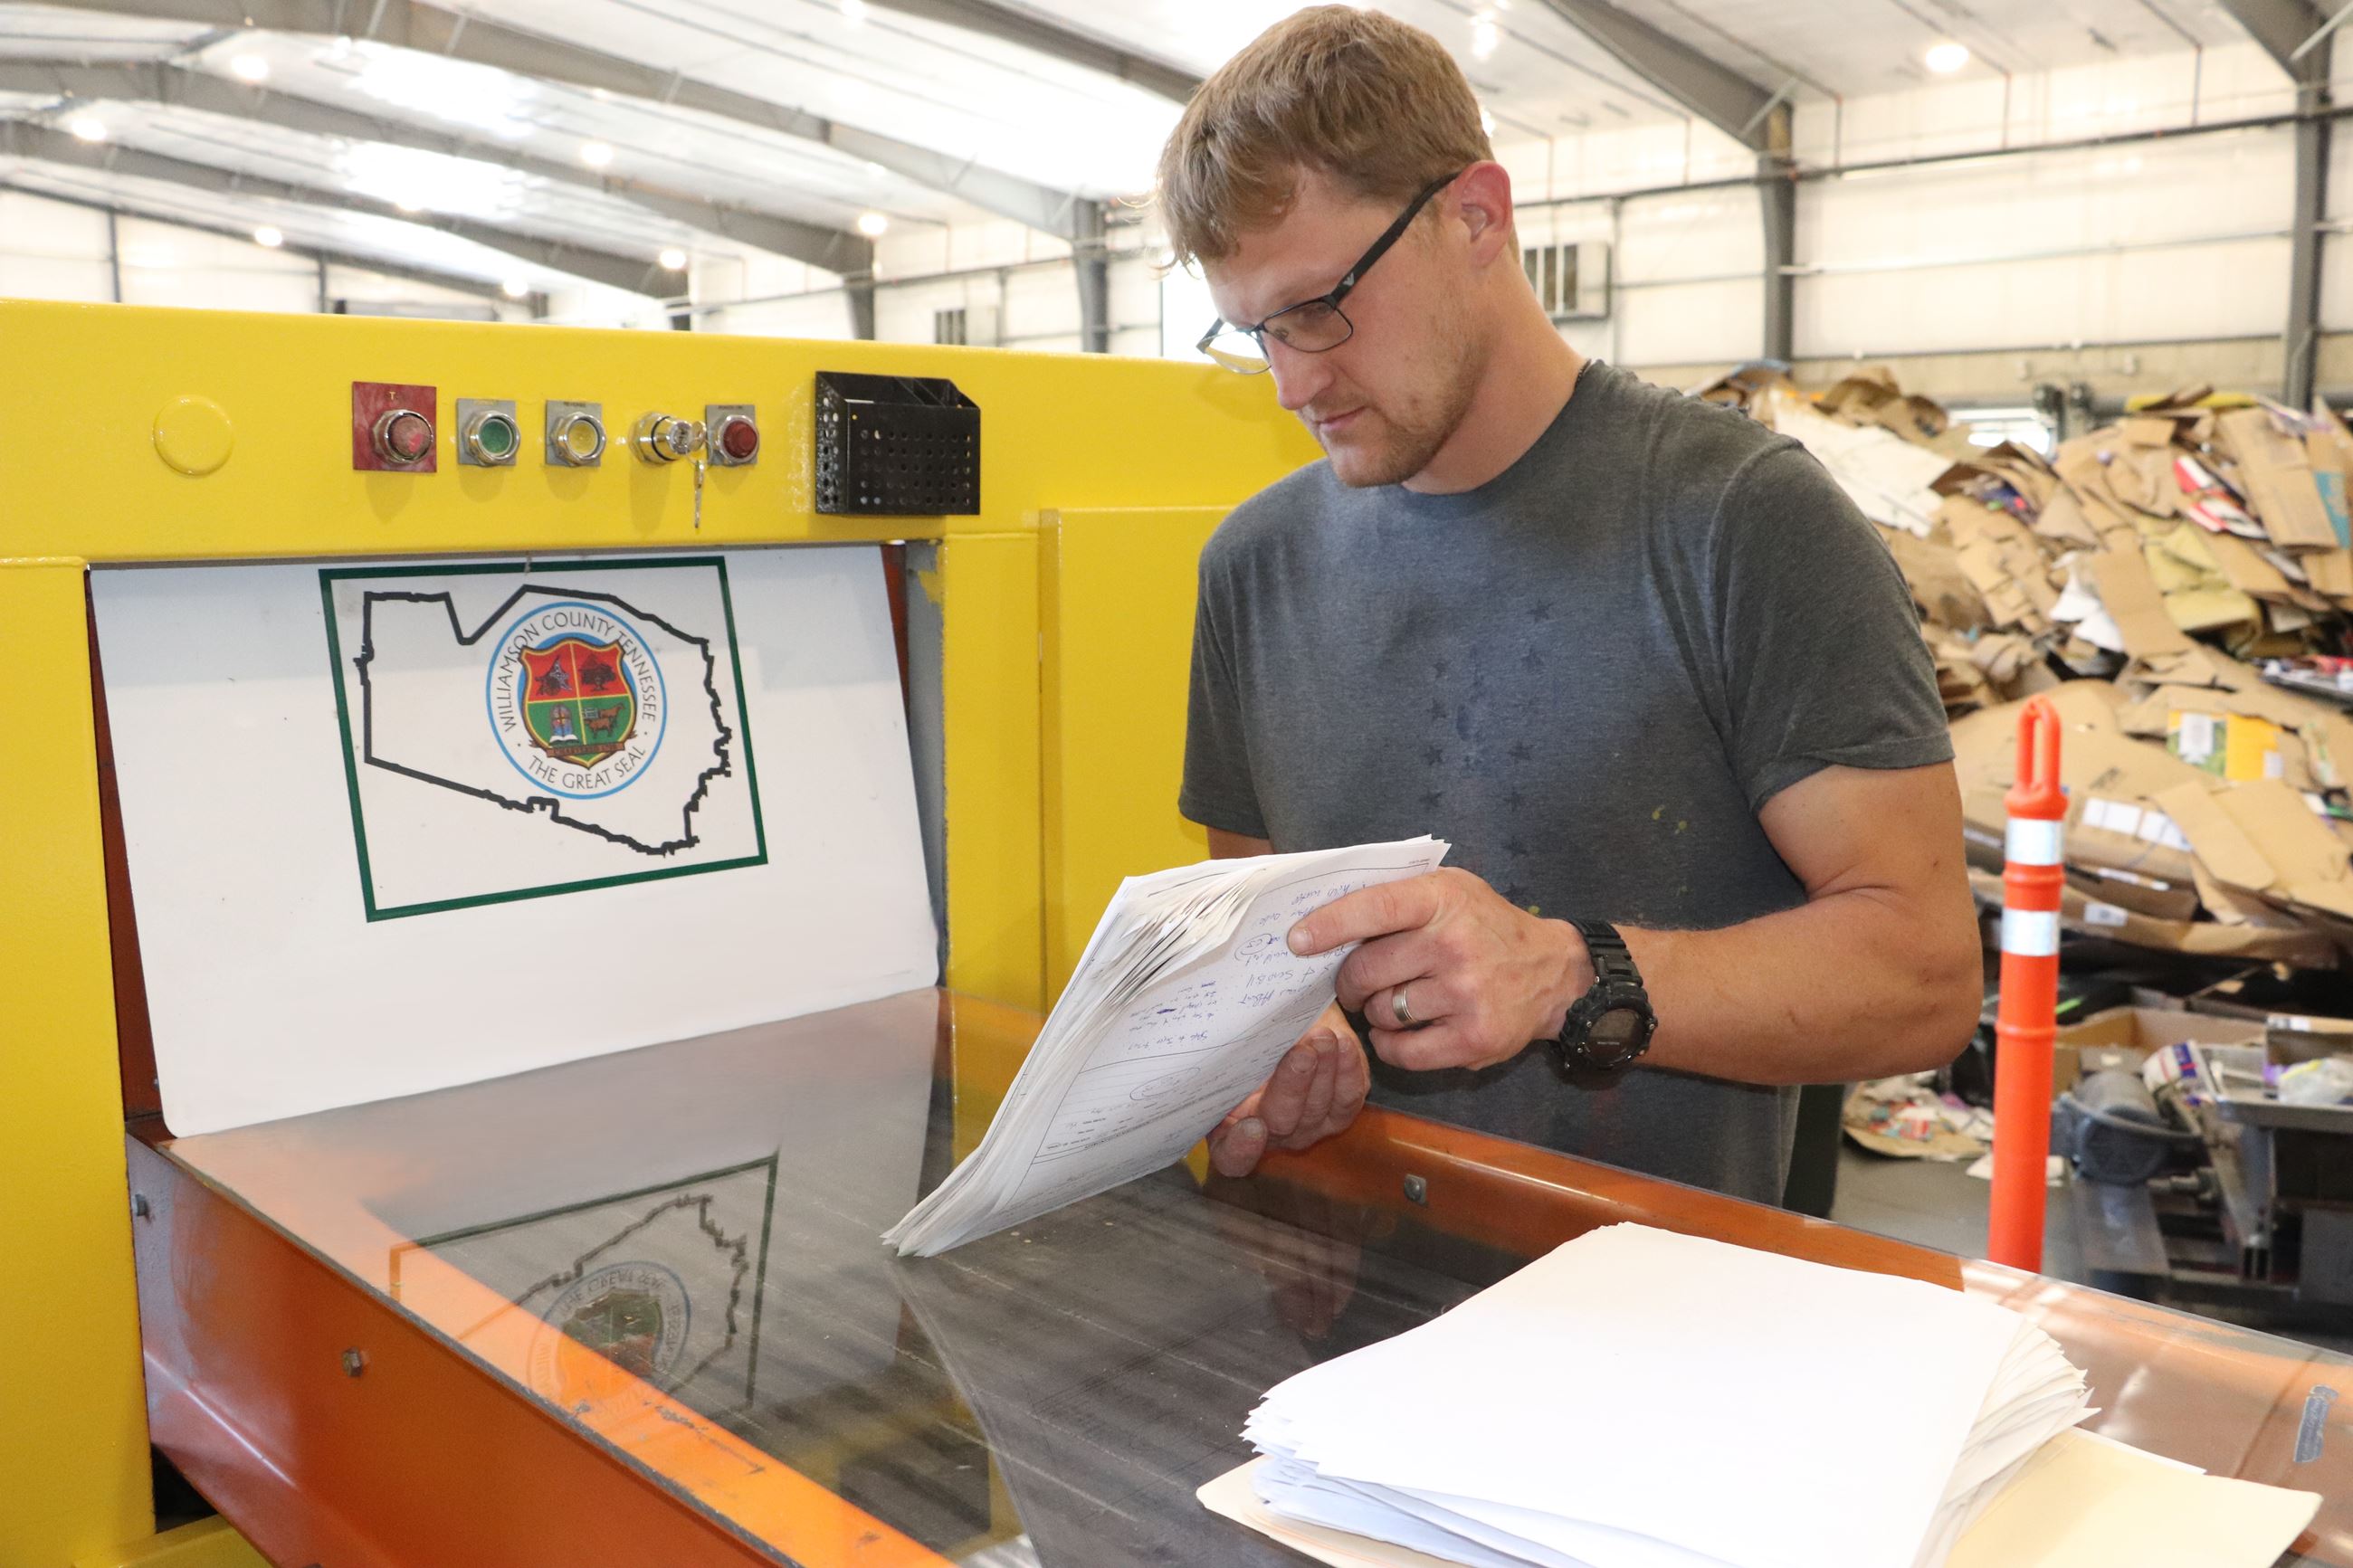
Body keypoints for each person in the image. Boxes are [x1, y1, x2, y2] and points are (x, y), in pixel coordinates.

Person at [1157, 7, 1981, 1207]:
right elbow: (1266, 956)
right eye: (1255, 334)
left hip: (1662, 1334)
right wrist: (1289, 1048)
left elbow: (1922, 975)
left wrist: (1563, 973)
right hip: (1345, 1336)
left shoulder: (1741, 522)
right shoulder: (1254, 567)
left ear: (1476, 217)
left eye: (1320, 307)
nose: (1293, 380)